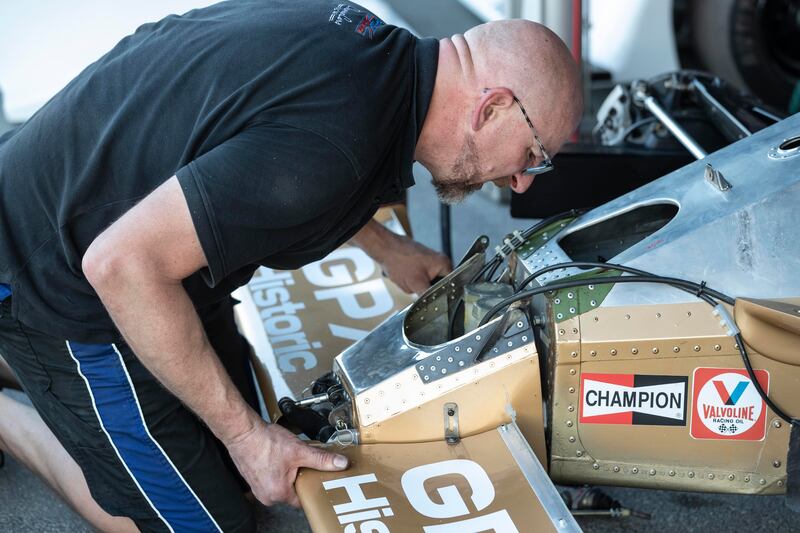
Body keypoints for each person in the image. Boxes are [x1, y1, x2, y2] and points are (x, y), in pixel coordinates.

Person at [0, 0, 581, 531]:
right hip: (59, 277)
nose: (523, 181)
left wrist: (387, 248)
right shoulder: (336, 143)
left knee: (246, 474)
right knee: (208, 520)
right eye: (535, 155)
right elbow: (120, 265)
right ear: (493, 107)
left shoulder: (372, 53)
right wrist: (247, 437)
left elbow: (272, 152)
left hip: (129, 235)